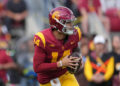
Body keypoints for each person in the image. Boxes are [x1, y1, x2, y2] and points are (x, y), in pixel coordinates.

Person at [33, 6, 82, 86]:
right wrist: (61, 63)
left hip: (65, 75)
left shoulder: (75, 34)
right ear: (57, 24)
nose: (71, 25)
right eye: (68, 22)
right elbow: (37, 67)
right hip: (47, 80)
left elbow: (75, 48)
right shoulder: (43, 39)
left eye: (71, 22)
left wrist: (78, 57)